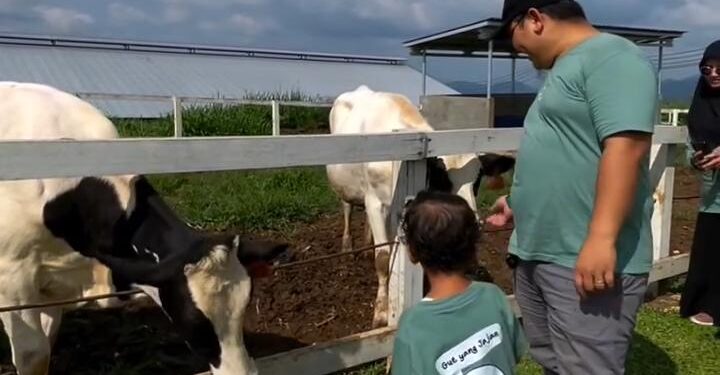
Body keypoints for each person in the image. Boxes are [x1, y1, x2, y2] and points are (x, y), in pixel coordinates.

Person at [486, 0, 658, 374]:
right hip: (542, 252)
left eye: (511, 34)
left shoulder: (613, 58)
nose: (515, 48)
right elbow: (569, 147)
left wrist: (601, 238)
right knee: (555, 363)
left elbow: (626, 148)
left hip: (580, 257)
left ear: (534, 19)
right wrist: (519, 200)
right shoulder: (569, 68)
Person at [390, 191, 526, 375]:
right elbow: (513, 352)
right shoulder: (493, 296)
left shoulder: (413, 326)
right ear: (472, 249)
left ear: (412, 252)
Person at [679, 40, 720, 327]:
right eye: (707, 69)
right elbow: (688, 141)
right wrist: (695, 157)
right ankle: (704, 302)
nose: (714, 74)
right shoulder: (701, 101)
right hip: (712, 191)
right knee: (710, 244)